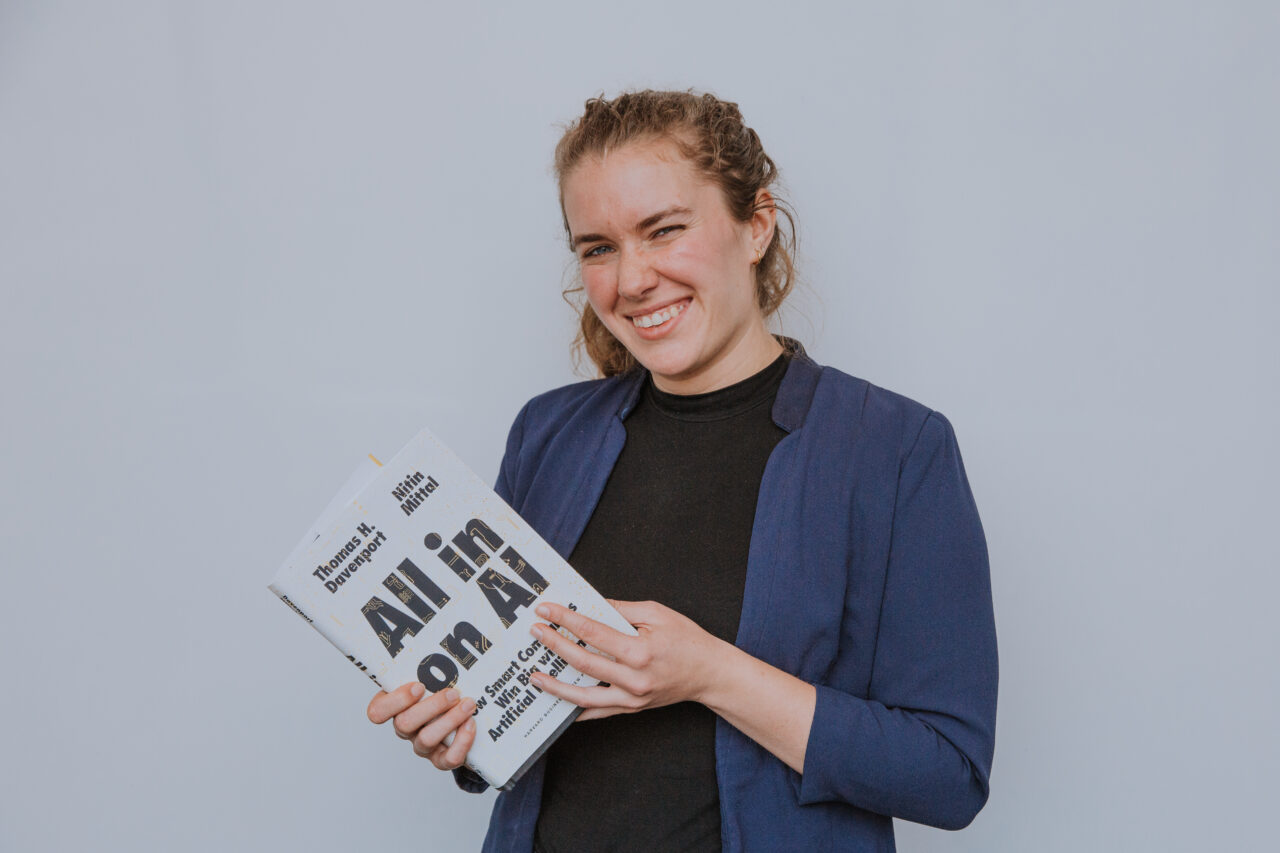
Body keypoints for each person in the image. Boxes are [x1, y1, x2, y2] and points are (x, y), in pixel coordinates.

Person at [367, 89, 998, 852]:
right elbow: (514, 710)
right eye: (598, 247)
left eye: (663, 230)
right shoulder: (548, 433)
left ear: (756, 225)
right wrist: (461, 734)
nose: (631, 280)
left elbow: (947, 772)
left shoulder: (895, 449)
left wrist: (709, 673)